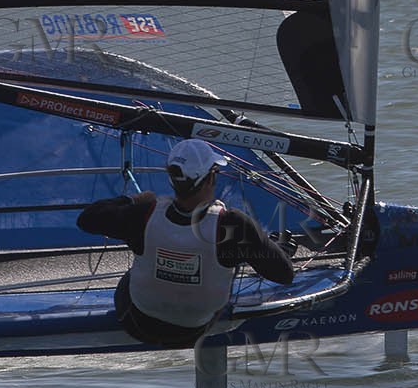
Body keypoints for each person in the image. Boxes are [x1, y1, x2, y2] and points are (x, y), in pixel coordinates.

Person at [77, 139, 294, 348]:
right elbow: (283, 275)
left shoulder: (145, 213)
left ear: (172, 178)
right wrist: (279, 248)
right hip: (193, 330)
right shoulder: (233, 225)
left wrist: (132, 200)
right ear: (211, 178)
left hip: (137, 323)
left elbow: (87, 220)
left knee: (135, 270)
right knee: (226, 261)